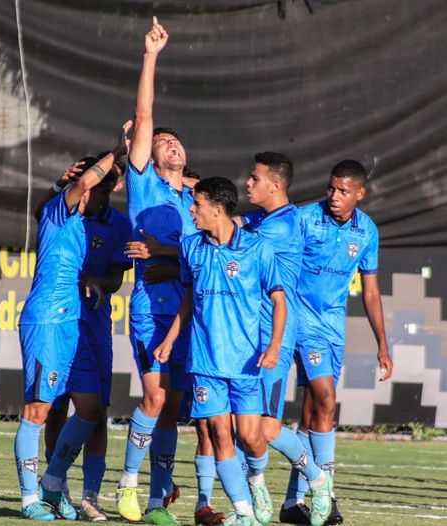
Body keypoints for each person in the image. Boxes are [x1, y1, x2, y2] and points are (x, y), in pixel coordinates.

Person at [154, 177, 287, 526]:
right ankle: (243, 512)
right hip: (204, 360)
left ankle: (256, 480)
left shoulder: (258, 249)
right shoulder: (191, 247)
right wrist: (169, 339)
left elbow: (278, 299)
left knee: (251, 437)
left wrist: (273, 346)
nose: (191, 210)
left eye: (196, 204)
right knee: (218, 431)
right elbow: (188, 298)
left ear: (217, 207)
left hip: (245, 360)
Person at [14, 136, 128, 521]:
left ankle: (53, 480)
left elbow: (110, 271)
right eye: (92, 186)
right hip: (47, 319)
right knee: (39, 410)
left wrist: (95, 282)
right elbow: (77, 186)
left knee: (91, 409)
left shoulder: (85, 223)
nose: (95, 193)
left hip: (74, 326)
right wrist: (118, 148)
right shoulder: (58, 212)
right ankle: (30, 500)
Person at [115, 17, 198, 526]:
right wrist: (151, 56)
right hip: (152, 304)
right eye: (162, 141)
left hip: (188, 310)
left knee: (173, 408)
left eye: (175, 142)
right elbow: (144, 116)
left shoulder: (195, 200)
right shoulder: (145, 184)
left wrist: (168, 254)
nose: (170, 144)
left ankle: (158, 498)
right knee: (154, 395)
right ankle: (127, 485)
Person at [280, 160, 394, 525]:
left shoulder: (367, 231)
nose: (334, 196)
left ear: (360, 194)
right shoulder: (304, 218)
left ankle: (291, 504)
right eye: (331, 188)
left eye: (343, 191)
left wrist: (383, 345)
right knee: (327, 399)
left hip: (333, 326)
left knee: (314, 412)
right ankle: (324, 495)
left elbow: (371, 293)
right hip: (301, 322)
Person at [238, 152, 332, 526]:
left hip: (271, 338)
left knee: (267, 428)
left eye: (254, 178)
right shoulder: (266, 217)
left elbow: (231, 241)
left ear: (274, 185)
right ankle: (254, 500)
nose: (248, 183)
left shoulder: (281, 227)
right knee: (242, 427)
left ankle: (318, 480)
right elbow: (237, 222)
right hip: (245, 336)